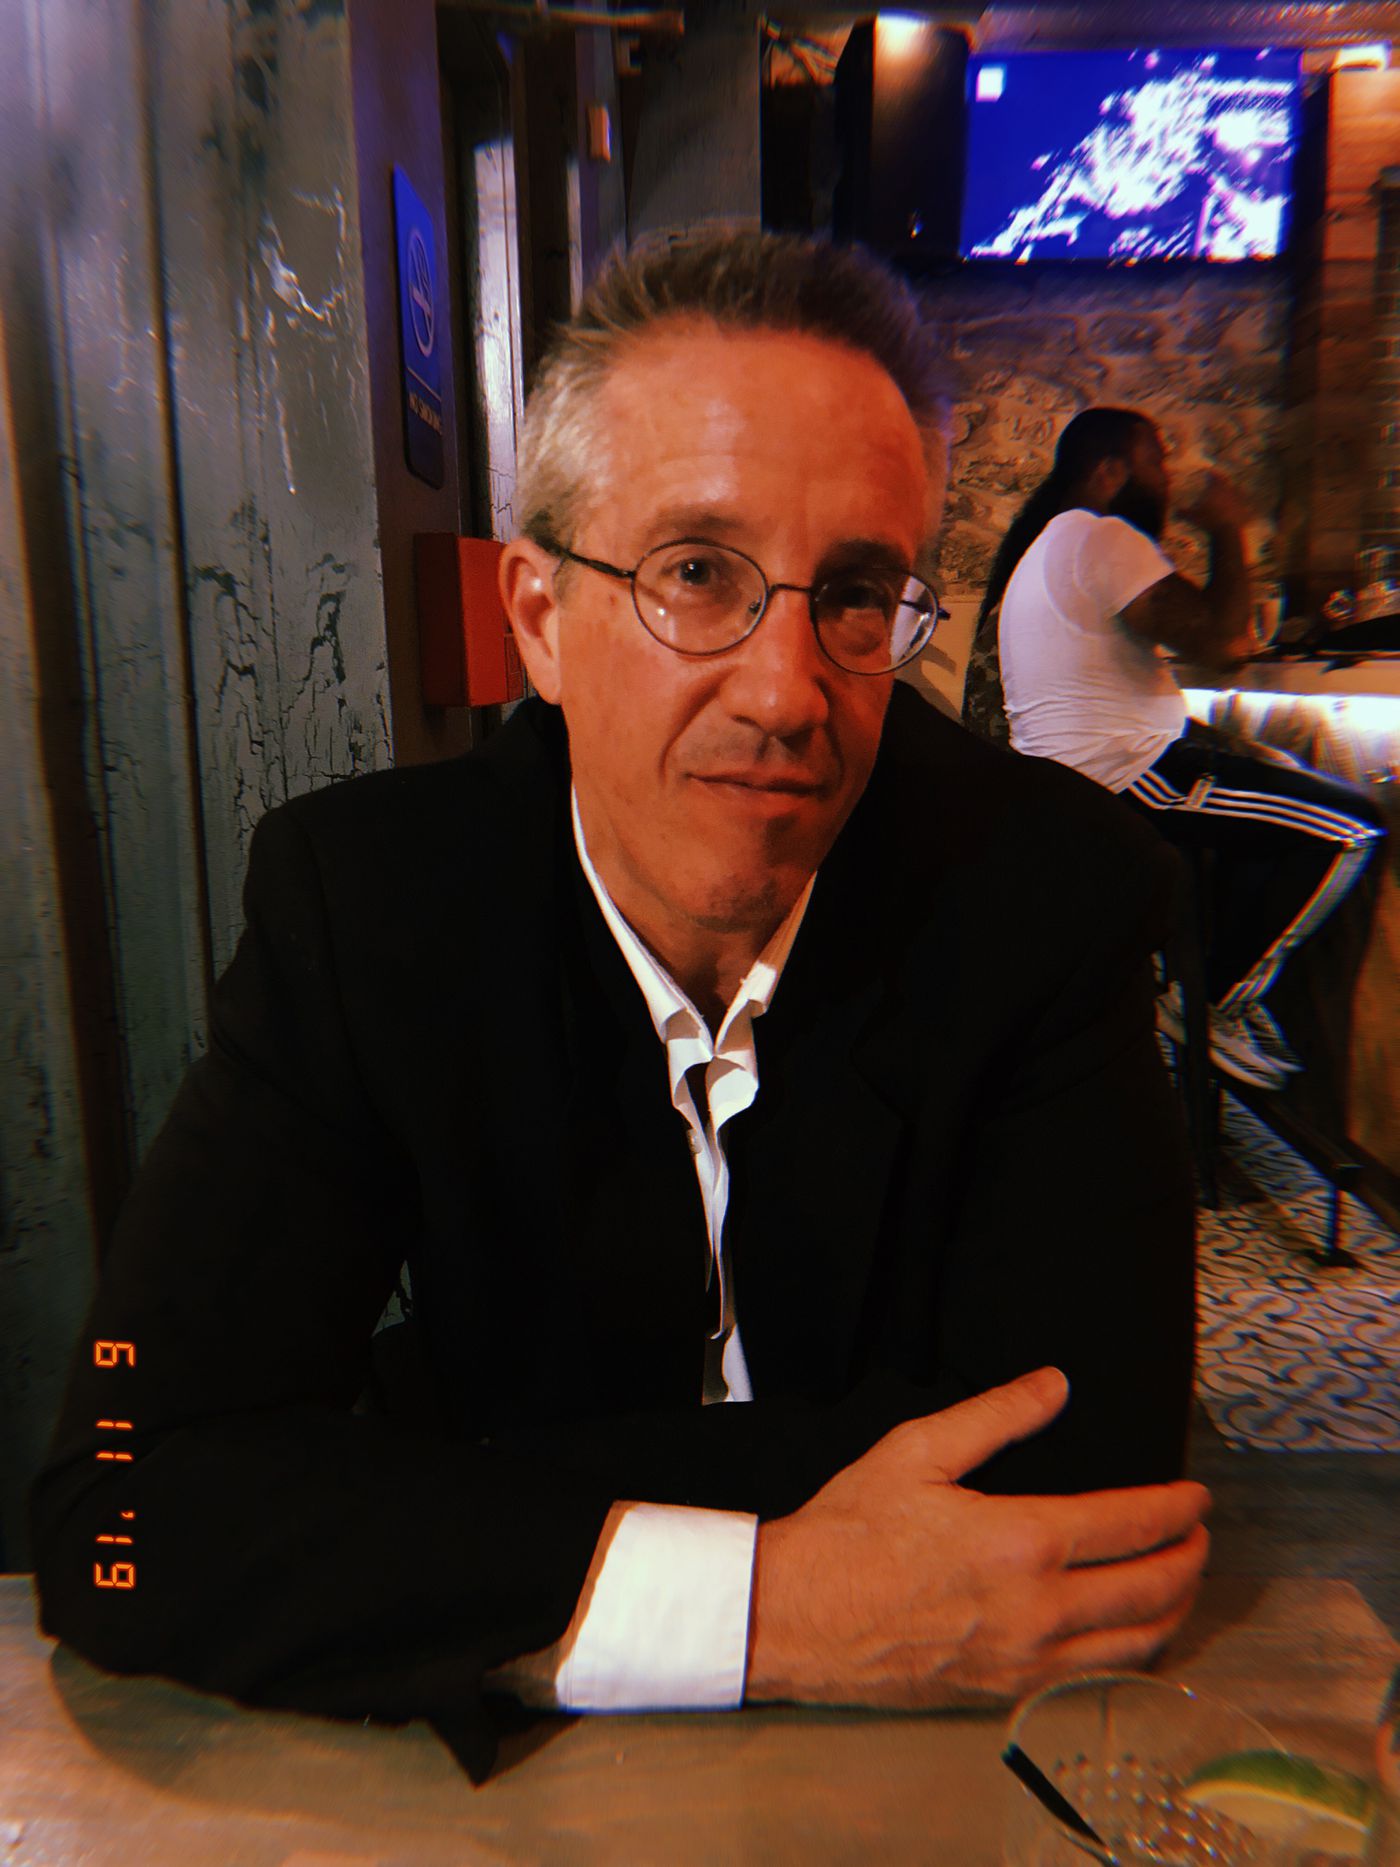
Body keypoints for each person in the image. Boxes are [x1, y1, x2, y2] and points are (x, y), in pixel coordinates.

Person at [31, 234, 1208, 1782]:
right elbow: (124, 1501)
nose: (786, 689)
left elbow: (1095, 1473)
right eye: (696, 573)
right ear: (539, 616)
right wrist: (775, 1602)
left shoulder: (1045, 890)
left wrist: (438, 1485)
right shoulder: (373, 908)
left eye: (857, 594)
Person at [987, 406, 1387, 1089]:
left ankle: (1206, 1002)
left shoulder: (1054, 542)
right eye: (1156, 461)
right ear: (1109, 471)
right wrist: (1228, 528)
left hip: (1086, 782)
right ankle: (1213, 1004)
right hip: (1126, 776)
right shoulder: (1101, 536)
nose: (1167, 479)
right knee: (1353, 827)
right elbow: (1226, 646)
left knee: (1276, 789)